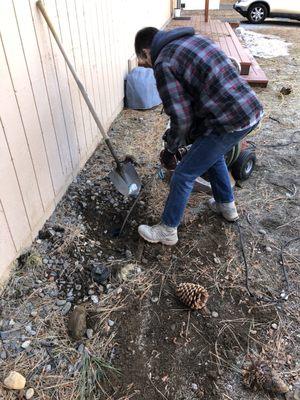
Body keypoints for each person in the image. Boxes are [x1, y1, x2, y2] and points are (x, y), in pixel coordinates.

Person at [134, 26, 263, 246]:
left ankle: (167, 229)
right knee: (212, 155)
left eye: (143, 61)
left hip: (229, 119)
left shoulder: (164, 61)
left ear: (147, 51)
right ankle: (226, 205)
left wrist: (171, 149)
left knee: (184, 174)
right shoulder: (195, 40)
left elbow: (181, 117)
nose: (146, 65)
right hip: (250, 109)